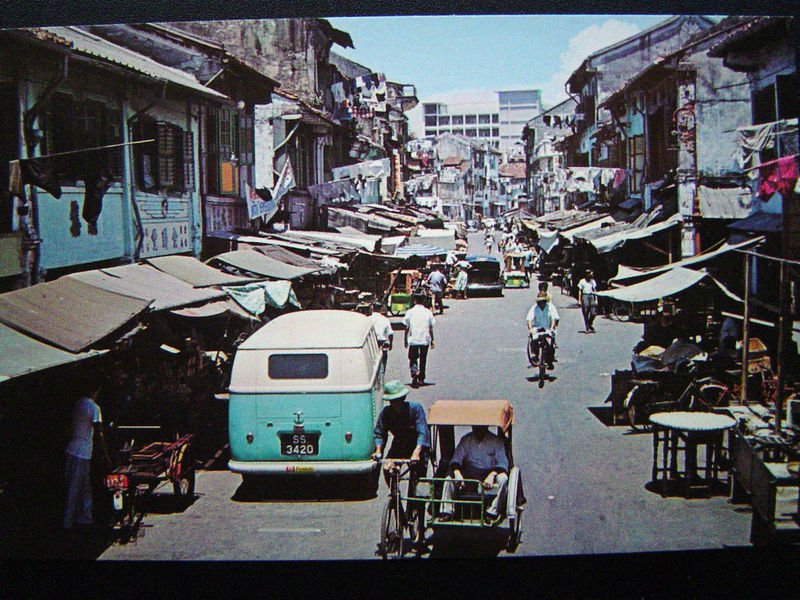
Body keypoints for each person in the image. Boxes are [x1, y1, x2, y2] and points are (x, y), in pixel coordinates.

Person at [63, 382, 112, 536]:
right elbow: (99, 432)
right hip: (82, 452)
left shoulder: (79, 403)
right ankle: (67, 522)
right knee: (75, 487)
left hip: (73, 449)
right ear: (96, 391)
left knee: (84, 487)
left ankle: (86, 517)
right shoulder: (93, 407)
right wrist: (105, 454)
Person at [373, 380, 429, 510]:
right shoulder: (386, 413)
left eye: (397, 401)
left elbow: (422, 432)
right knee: (387, 468)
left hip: (417, 446)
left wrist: (416, 452)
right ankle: (395, 496)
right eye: (392, 402)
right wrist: (378, 450)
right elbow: (379, 433)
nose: (395, 405)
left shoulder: (415, 409)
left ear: (403, 399)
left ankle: (418, 509)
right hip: (400, 444)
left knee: (418, 481)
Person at [439, 425, 509, 525]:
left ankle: (492, 512)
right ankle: (447, 511)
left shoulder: (496, 441)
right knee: (449, 479)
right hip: (469, 473)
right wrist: (457, 473)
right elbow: (456, 459)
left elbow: (502, 462)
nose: (478, 429)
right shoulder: (466, 439)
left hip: (488, 472)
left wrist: (492, 474)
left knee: (503, 479)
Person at [403, 293, 436, 387]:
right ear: (424, 301)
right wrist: (432, 340)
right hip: (424, 339)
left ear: (414, 301)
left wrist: (405, 339)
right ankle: (421, 378)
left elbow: (407, 327)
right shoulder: (428, 312)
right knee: (423, 359)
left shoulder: (410, 312)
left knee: (413, 358)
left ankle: (414, 372)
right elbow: (430, 327)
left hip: (413, 339)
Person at [358, 294, 393, 370]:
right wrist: (391, 344)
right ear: (381, 309)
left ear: (372, 308)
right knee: (383, 362)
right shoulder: (385, 320)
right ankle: (381, 373)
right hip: (382, 342)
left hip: (371, 342)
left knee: (372, 363)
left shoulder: (368, 319)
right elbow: (390, 333)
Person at [526, 291, 558, 369]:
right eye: (539, 302)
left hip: (547, 328)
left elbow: (554, 318)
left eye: (542, 301)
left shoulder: (551, 307)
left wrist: (552, 328)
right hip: (537, 328)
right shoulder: (534, 308)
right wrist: (530, 329)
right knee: (534, 340)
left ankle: (549, 360)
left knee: (550, 344)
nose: (540, 303)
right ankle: (535, 355)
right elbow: (529, 319)